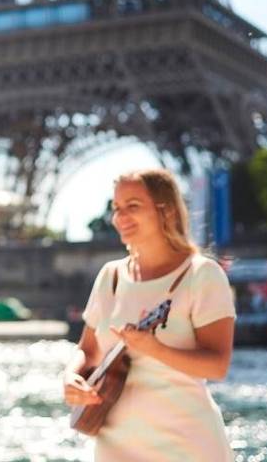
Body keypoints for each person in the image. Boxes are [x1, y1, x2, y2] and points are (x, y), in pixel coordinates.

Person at [62, 168, 236, 461]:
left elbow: (217, 366)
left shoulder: (202, 275)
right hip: (114, 446)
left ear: (165, 211)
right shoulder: (111, 277)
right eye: (117, 208)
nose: (120, 217)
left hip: (187, 445)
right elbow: (88, 350)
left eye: (133, 206)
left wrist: (155, 349)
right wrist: (70, 376)